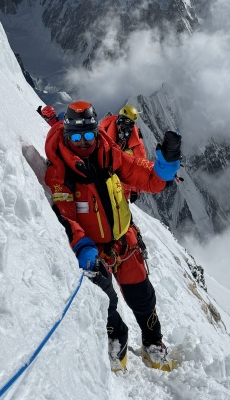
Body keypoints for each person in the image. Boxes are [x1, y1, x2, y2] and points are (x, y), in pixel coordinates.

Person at [45, 100, 181, 371]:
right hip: (96, 252)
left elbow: (145, 176)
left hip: (124, 241)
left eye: (88, 135)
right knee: (106, 303)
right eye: (76, 137)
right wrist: (82, 246)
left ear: (96, 131)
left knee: (142, 297)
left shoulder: (110, 154)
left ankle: (153, 342)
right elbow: (65, 214)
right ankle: (117, 341)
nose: (84, 143)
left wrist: (165, 167)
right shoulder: (60, 170)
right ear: (67, 136)